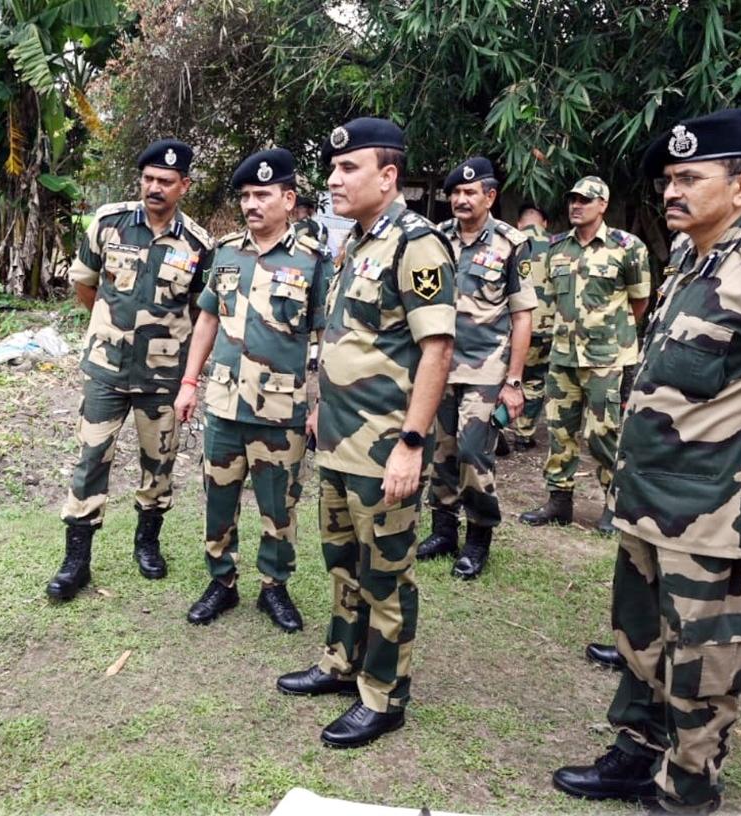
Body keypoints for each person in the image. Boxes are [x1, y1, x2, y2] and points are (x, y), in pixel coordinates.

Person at [552, 109, 741, 815]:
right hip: (648, 495)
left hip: (716, 510)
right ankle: (635, 751)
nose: (670, 191)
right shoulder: (691, 254)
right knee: (640, 638)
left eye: (689, 177)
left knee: (702, 664)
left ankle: (687, 789)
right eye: (668, 179)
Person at [275, 117, 455, 749]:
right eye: (332, 168)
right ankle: (339, 662)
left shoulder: (416, 244)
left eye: (349, 168)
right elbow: (347, 339)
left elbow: (437, 351)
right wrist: (323, 405)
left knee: (385, 574)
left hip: (386, 450)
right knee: (343, 563)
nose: (333, 178)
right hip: (341, 441)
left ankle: (384, 696)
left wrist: (411, 443)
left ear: (388, 176)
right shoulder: (356, 243)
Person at [46, 139, 213, 601]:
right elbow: (87, 284)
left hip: (162, 377)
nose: (154, 188)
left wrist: (184, 372)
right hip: (106, 370)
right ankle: (76, 561)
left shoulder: (198, 244)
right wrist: (111, 325)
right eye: (148, 179)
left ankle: (148, 543)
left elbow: (203, 312)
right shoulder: (109, 221)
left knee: (158, 465)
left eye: (165, 181)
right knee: (89, 461)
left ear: (184, 186)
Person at [174, 149, 331, 632]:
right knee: (218, 498)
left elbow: (327, 338)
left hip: (280, 408)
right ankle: (221, 581)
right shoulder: (225, 252)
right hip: (223, 403)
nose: (251, 204)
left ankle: (274, 587)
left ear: (288, 199)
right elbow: (207, 319)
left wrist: (320, 405)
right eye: (245, 196)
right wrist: (188, 383)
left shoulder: (312, 262)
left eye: (263, 195)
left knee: (278, 505)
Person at [415, 157, 535, 579]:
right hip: (439, 365)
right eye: (456, 193)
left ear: (490, 196)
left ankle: (478, 537)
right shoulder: (434, 238)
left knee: (472, 452)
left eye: (470, 192)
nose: (461, 200)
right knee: (440, 452)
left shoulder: (511, 243)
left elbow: (522, 315)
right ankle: (443, 530)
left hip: (486, 367)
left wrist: (514, 381)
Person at [520, 176, 650, 534]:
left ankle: (614, 503)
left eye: (585, 200)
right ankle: (559, 501)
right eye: (572, 200)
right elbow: (547, 298)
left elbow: (639, 301)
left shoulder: (627, 247)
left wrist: (609, 334)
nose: (576, 205)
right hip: (562, 356)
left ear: (602, 205)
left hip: (605, 357)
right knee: (560, 431)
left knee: (602, 433)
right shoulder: (557, 248)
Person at [509, 201, 553, 452]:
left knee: (502, 377)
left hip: (511, 327)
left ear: (519, 223)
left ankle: (495, 426)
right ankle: (524, 433)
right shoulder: (559, 246)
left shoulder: (507, 242)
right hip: (544, 328)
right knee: (535, 380)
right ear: (544, 223)